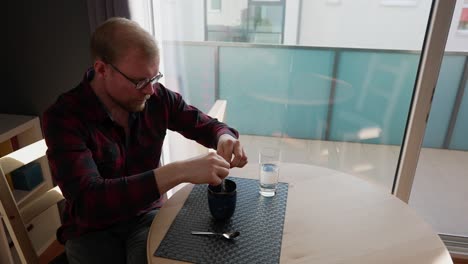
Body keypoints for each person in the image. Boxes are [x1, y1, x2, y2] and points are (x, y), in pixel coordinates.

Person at [42, 17, 248, 264]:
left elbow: (205, 124)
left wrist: (223, 136)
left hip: (146, 217)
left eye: (154, 77)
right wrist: (180, 171)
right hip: (93, 230)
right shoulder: (64, 117)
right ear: (102, 69)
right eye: (140, 81)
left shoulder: (156, 98)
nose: (150, 90)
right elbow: (89, 201)